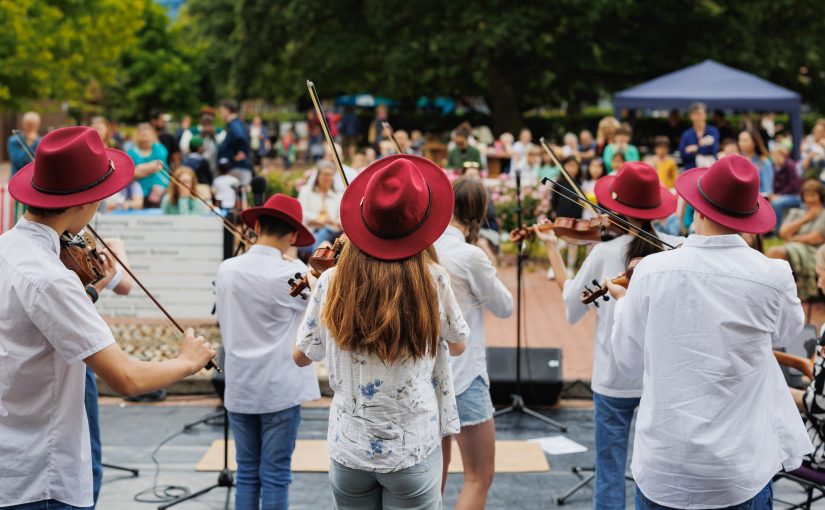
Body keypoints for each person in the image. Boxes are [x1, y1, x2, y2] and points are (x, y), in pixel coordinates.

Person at [0, 126, 216, 509]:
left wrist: (96, 284)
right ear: (84, 204)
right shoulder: (52, 278)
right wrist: (187, 361)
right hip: (39, 477)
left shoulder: (7, 247)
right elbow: (127, 378)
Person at [608, 154, 812, 509]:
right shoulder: (773, 275)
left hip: (664, 466)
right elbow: (785, 332)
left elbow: (626, 361)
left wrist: (625, 301)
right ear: (749, 218)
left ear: (698, 209)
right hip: (738, 469)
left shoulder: (653, 271)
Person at [293, 154, 469, 509]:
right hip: (412, 448)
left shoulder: (332, 280)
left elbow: (301, 356)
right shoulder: (432, 278)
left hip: (349, 448)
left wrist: (323, 298)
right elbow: (459, 344)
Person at [542, 162, 680, 509]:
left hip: (614, 376)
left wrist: (551, 247)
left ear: (617, 208)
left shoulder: (603, 253)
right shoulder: (678, 248)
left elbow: (572, 305)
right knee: (663, 472)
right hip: (661, 377)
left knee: (609, 473)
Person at [216, 193, 320, 510]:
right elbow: (318, 313)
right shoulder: (291, 273)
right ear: (292, 236)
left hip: (240, 384)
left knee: (247, 473)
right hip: (278, 386)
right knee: (275, 475)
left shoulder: (227, 269)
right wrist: (309, 274)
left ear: (257, 225)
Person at [435, 177, 513, 509]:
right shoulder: (470, 255)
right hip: (464, 375)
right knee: (479, 476)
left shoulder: (422, 248)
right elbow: (504, 306)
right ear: (478, 213)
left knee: (432, 478)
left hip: (426, 375)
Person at [767, 179, 825, 300]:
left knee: (775, 252)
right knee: (774, 251)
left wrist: (792, 238)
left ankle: (776, 293)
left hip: (813, 251)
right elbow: (783, 232)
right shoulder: (796, 213)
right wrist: (806, 218)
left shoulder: (823, 215)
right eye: (807, 196)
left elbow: (815, 238)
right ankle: (777, 292)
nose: (810, 199)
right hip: (795, 248)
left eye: (813, 195)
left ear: (820, 197)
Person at [297, 160, 343, 256]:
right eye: (325, 174)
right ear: (318, 176)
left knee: (325, 231)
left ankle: (314, 262)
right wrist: (320, 220)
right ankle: (316, 260)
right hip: (309, 231)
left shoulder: (337, 196)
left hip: (331, 233)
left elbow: (341, 218)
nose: (328, 178)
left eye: (330, 175)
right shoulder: (306, 191)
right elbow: (301, 212)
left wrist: (329, 221)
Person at [128, 123, 169, 208]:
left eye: (147, 134)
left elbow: (159, 166)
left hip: (160, 186)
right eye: (142, 135)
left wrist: (140, 169)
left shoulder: (159, 148)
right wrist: (150, 167)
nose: (145, 138)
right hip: (139, 189)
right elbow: (132, 173)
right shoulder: (132, 152)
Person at [218, 99, 253, 185]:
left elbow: (240, 136)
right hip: (238, 167)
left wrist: (240, 152)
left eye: (221, 111)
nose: (221, 114)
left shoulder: (234, 124)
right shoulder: (236, 124)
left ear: (227, 110)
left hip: (237, 167)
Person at [180, 107, 224, 175]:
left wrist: (214, 136)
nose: (207, 119)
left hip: (215, 169)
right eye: (205, 117)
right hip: (195, 169)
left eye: (210, 117)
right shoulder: (191, 131)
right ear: (200, 118)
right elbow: (184, 147)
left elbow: (225, 148)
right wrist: (200, 135)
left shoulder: (219, 132)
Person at [677, 102, 720, 170]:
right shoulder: (686, 134)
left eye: (700, 114)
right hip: (691, 169)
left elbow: (713, 149)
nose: (698, 117)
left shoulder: (713, 131)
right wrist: (703, 150)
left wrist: (696, 148)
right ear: (690, 116)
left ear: (705, 115)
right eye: (695, 114)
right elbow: (682, 154)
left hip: (709, 169)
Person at [770, 146, 803, 232]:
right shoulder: (775, 167)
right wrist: (773, 194)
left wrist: (778, 195)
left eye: (778, 156)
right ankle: (768, 230)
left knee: (777, 203)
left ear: (783, 156)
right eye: (774, 156)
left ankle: (778, 231)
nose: (776, 158)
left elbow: (793, 186)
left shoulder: (790, 166)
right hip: (782, 195)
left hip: (795, 196)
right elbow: (775, 185)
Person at [738, 129, 774, 195]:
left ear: (754, 142)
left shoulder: (764, 162)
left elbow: (767, 190)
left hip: (758, 199)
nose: (741, 143)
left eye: (745, 140)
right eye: (740, 140)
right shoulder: (737, 161)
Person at [7, 111, 41, 177]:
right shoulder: (14, 140)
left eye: (33, 125)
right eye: (29, 124)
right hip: (17, 178)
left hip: (35, 180)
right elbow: (18, 162)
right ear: (23, 124)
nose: (30, 128)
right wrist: (29, 143)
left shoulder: (40, 141)